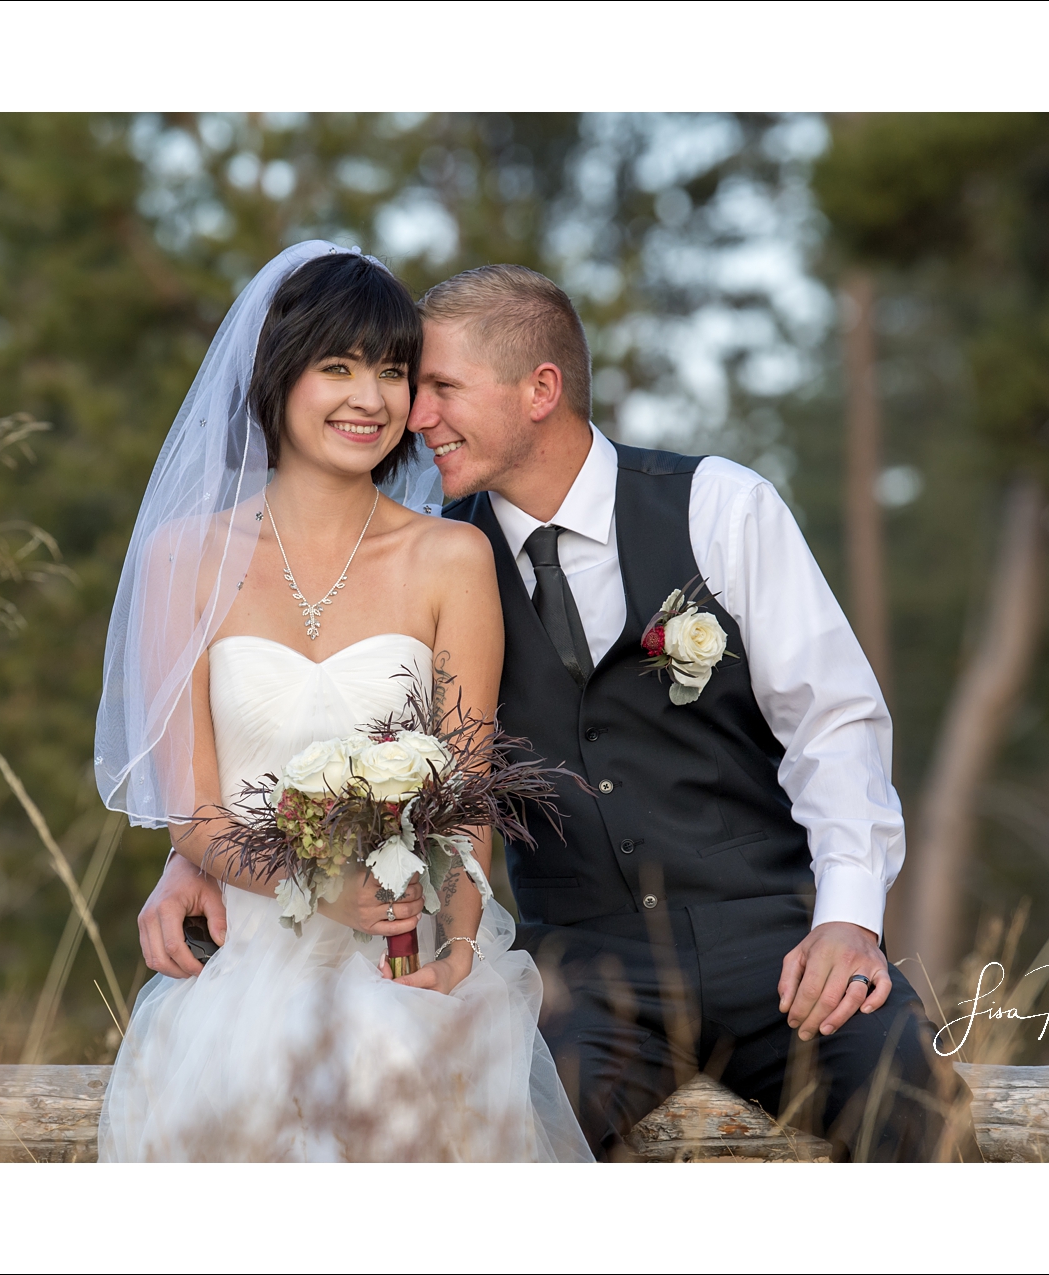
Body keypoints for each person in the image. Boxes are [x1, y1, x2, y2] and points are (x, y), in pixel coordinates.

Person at [140, 261, 956, 1162]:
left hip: (774, 940)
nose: (413, 415)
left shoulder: (719, 506)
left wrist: (848, 916)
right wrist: (202, 857)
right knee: (486, 1134)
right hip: (580, 973)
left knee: (922, 1116)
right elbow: (327, 741)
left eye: (433, 384)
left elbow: (833, 722)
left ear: (541, 389)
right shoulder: (455, 551)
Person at [94, 242, 591, 1162]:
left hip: (409, 961)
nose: (371, 398)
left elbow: (469, 785)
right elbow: (195, 813)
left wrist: (464, 944)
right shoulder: (182, 560)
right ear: (279, 376)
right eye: (339, 367)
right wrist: (317, 887)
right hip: (250, 973)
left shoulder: (451, 558)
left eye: (393, 372)